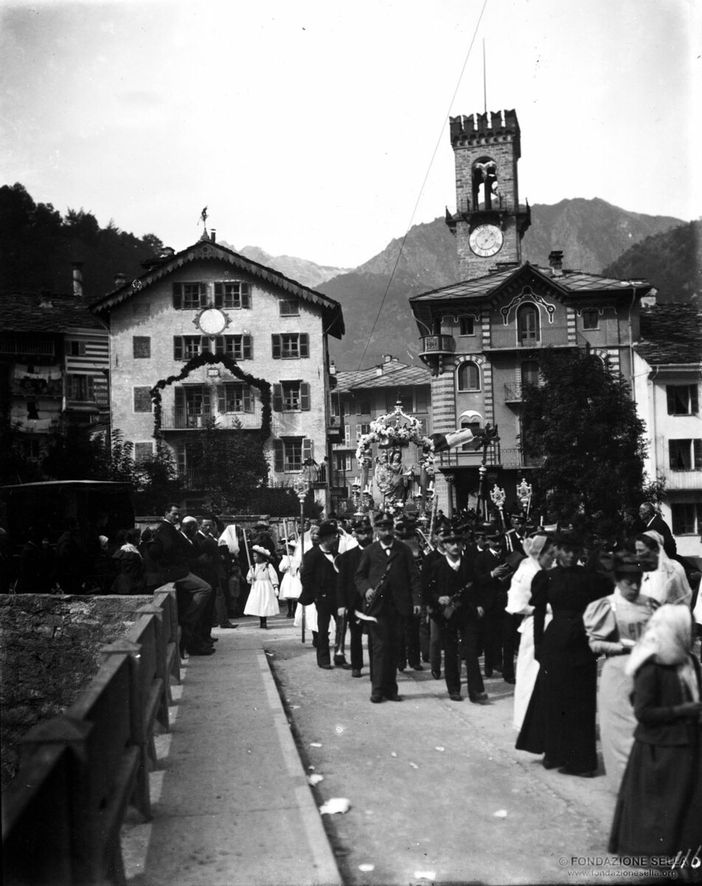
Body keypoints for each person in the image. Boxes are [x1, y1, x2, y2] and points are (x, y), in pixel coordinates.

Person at [609, 605, 702, 860]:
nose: (693, 635)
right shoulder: (651, 666)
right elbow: (644, 713)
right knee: (661, 810)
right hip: (658, 749)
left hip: (688, 744)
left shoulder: (690, 661)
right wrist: (683, 710)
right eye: (689, 629)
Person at [516, 531, 610, 776]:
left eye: (574, 551)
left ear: (580, 553)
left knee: (581, 702)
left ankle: (582, 762)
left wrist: (594, 634)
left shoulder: (591, 578)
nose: (570, 555)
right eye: (565, 550)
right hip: (555, 642)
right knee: (554, 700)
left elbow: (605, 607)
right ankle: (555, 754)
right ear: (556, 551)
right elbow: (537, 614)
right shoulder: (546, 578)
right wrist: (538, 646)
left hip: (581, 642)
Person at [583, 552, 658, 793]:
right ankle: (626, 788)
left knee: (648, 729)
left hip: (648, 672)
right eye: (628, 582)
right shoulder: (607, 606)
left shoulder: (649, 604)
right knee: (621, 734)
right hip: (619, 673)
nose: (634, 586)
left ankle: (649, 784)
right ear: (617, 580)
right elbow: (594, 643)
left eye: (638, 580)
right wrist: (623, 646)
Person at [354, 511, 422, 703]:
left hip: (398, 607)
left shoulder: (403, 550)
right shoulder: (370, 551)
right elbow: (359, 576)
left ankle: (391, 689)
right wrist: (366, 589)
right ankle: (377, 690)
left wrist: (416, 601)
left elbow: (414, 577)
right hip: (377, 608)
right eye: (382, 528)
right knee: (379, 648)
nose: (386, 532)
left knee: (394, 648)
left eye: (389, 528)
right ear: (376, 530)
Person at [423, 525, 485, 701]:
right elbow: (427, 590)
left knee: (471, 652)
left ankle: (476, 691)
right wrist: (437, 598)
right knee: (451, 653)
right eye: (450, 543)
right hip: (447, 616)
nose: (455, 546)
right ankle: (454, 689)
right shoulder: (437, 566)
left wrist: (480, 604)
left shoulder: (469, 564)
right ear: (444, 546)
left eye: (458, 542)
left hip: (468, 613)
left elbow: (478, 586)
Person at [505, 532, 556, 730]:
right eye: (550, 554)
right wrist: (547, 608)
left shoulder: (543, 569)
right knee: (531, 674)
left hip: (548, 624)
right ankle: (527, 720)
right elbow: (516, 604)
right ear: (539, 553)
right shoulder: (527, 571)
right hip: (534, 625)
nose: (553, 558)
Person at [151, 504, 215, 656]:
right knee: (205, 589)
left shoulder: (170, 529)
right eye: (174, 514)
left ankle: (190, 625)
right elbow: (168, 550)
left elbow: (185, 547)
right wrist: (184, 560)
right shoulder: (165, 529)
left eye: (178, 514)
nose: (177, 517)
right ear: (166, 513)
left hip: (178, 570)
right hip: (175, 572)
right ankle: (189, 617)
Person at [298, 521, 341, 668]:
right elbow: (305, 577)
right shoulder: (312, 555)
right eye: (334, 536)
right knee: (323, 629)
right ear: (326, 538)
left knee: (341, 627)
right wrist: (314, 594)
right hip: (322, 597)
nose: (336, 539)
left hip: (337, 597)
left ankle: (340, 656)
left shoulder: (337, 554)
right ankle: (323, 659)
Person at [473, 525, 513, 680]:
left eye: (499, 539)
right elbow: (476, 580)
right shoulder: (481, 558)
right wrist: (492, 574)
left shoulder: (508, 556)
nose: (497, 543)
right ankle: (489, 664)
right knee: (490, 635)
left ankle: (502, 665)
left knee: (506, 635)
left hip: (506, 601)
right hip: (489, 603)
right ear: (487, 541)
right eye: (494, 540)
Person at [336, 516, 374, 677]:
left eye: (367, 532)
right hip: (355, 602)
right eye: (361, 533)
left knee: (375, 636)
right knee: (356, 635)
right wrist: (342, 604)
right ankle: (357, 665)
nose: (365, 536)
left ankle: (376, 668)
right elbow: (342, 583)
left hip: (375, 602)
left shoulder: (380, 553)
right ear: (356, 535)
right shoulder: (347, 557)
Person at [635, 531, 692, 607]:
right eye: (637, 550)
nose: (637, 554)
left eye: (641, 550)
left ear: (655, 550)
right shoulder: (643, 571)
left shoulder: (673, 569)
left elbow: (683, 597)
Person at [245, 545, 279, 629]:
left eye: (256, 556)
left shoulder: (268, 566)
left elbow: (273, 576)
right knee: (259, 603)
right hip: (257, 587)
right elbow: (248, 579)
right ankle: (261, 620)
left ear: (261, 557)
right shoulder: (253, 567)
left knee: (265, 603)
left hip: (266, 586)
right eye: (253, 556)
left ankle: (264, 621)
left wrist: (275, 587)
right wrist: (251, 578)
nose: (254, 558)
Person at [278, 539, 301, 618]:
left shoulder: (297, 559)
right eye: (288, 550)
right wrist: (286, 566)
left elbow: (299, 567)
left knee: (294, 594)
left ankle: (294, 610)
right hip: (288, 576)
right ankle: (289, 610)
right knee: (288, 594)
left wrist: (297, 569)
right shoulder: (285, 558)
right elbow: (281, 569)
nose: (290, 551)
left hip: (295, 577)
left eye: (291, 550)